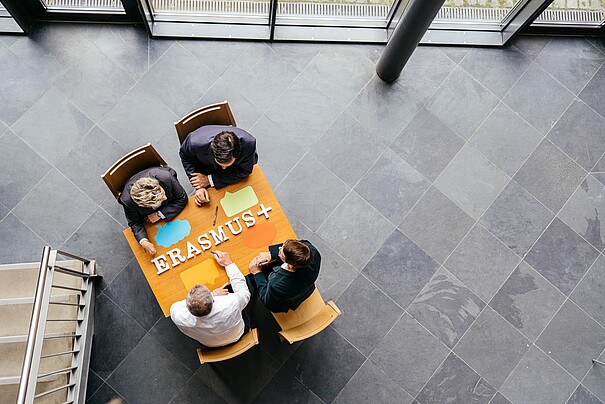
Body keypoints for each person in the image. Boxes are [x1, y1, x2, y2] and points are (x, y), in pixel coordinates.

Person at [170, 251, 251, 347]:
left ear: (187, 307)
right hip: (238, 334)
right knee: (233, 286)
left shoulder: (179, 317)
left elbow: (174, 306)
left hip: (210, 344)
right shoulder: (231, 302)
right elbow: (244, 293)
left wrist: (212, 294)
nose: (197, 284)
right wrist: (228, 263)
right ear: (213, 300)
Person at [118, 166, 196, 255]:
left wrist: (159, 214)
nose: (165, 197)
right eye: (160, 200)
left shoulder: (166, 177)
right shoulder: (128, 202)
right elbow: (135, 223)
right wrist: (144, 242)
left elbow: (182, 198)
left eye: (162, 193)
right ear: (145, 205)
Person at [179, 126, 258, 204]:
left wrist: (210, 180)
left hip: (234, 170)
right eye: (221, 164)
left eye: (227, 164)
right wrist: (199, 186)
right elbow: (185, 156)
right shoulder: (195, 143)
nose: (224, 168)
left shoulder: (248, 144)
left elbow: (245, 170)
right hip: (208, 168)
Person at [248, 239, 321, 313]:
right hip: (306, 288)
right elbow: (302, 243)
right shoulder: (313, 252)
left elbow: (267, 302)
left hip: (288, 300)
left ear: (290, 265)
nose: (279, 248)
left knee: (251, 279)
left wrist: (257, 273)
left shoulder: (277, 284)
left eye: (281, 252)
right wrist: (271, 254)